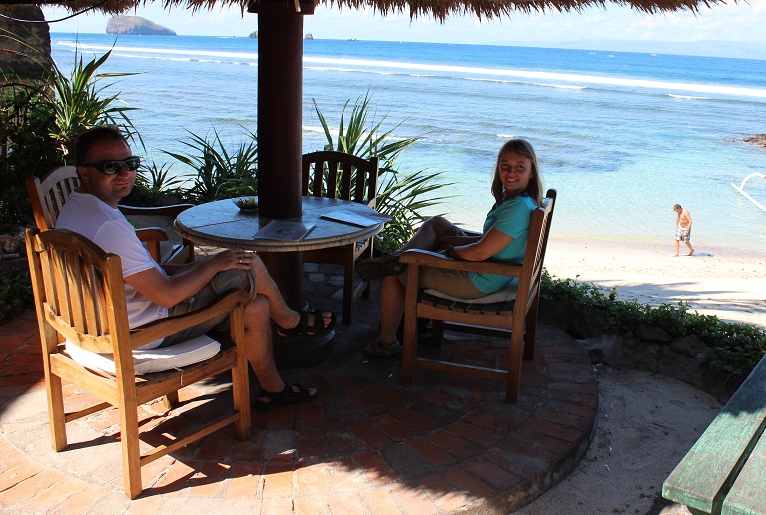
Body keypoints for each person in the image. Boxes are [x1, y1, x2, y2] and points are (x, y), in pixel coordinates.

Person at [55, 126, 331, 411]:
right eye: (110, 167)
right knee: (248, 263)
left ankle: (273, 389)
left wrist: (191, 269)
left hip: (105, 321)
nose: (124, 173)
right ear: (84, 172)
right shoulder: (108, 225)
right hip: (143, 331)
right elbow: (167, 296)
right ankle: (290, 322)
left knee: (256, 307)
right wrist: (214, 263)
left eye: (130, 163)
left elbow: (134, 271)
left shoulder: (77, 208)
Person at [356, 139, 543, 357]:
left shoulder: (517, 209)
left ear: (532, 172)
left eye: (519, 167)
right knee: (437, 224)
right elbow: (490, 242)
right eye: (505, 165)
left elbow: (480, 252)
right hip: (489, 267)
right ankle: (397, 257)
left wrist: (450, 251)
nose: (511, 172)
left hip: (478, 278)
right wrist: (451, 244)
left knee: (394, 275)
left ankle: (387, 343)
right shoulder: (522, 201)